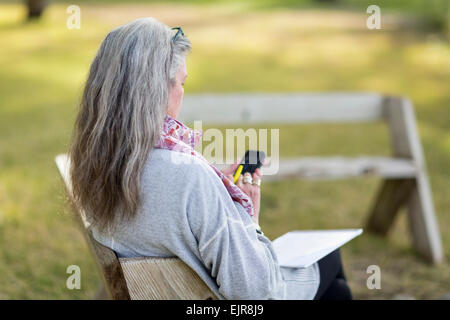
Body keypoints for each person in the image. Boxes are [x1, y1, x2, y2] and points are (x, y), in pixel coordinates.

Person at [69, 17, 352, 300]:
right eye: (182, 83)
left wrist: (217, 196)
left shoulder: (95, 165)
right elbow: (260, 293)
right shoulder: (189, 177)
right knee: (330, 261)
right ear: (156, 91)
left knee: (335, 291)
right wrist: (247, 220)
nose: (182, 93)